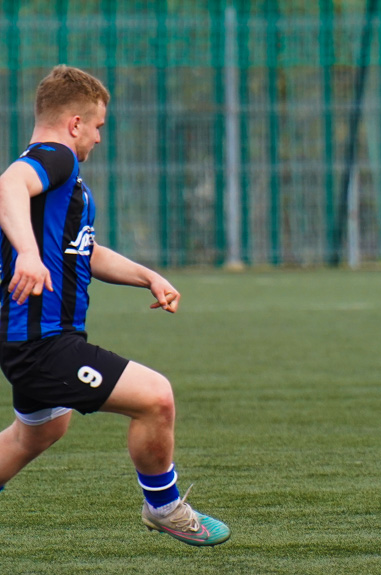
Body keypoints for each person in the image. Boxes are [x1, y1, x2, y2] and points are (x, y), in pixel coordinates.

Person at [0, 65, 230, 547]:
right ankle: (164, 508)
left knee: (36, 435)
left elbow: (87, 250)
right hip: (41, 344)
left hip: (39, 339)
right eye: (99, 126)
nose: (100, 138)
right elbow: (8, 184)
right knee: (156, 398)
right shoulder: (54, 158)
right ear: (74, 123)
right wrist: (25, 252)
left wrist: (147, 275)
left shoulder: (68, 185)